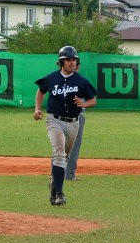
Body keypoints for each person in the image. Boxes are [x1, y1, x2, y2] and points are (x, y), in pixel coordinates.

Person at [34, 46, 97, 206]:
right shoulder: (52, 78)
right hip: (54, 120)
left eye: (74, 60)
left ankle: (54, 187)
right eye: (69, 60)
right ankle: (60, 194)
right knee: (59, 153)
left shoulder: (80, 80)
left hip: (73, 123)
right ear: (61, 62)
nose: (72, 63)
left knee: (65, 157)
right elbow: (41, 91)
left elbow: (93, 100)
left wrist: (84, 103)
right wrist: (38, 109)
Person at [65, 59, 85, 181]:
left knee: (60, 146)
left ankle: (55, 172)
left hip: (59, 117)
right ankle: (69, 174)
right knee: (74, 146)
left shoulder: (59, 79)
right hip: (75, 117)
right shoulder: (78, 81)